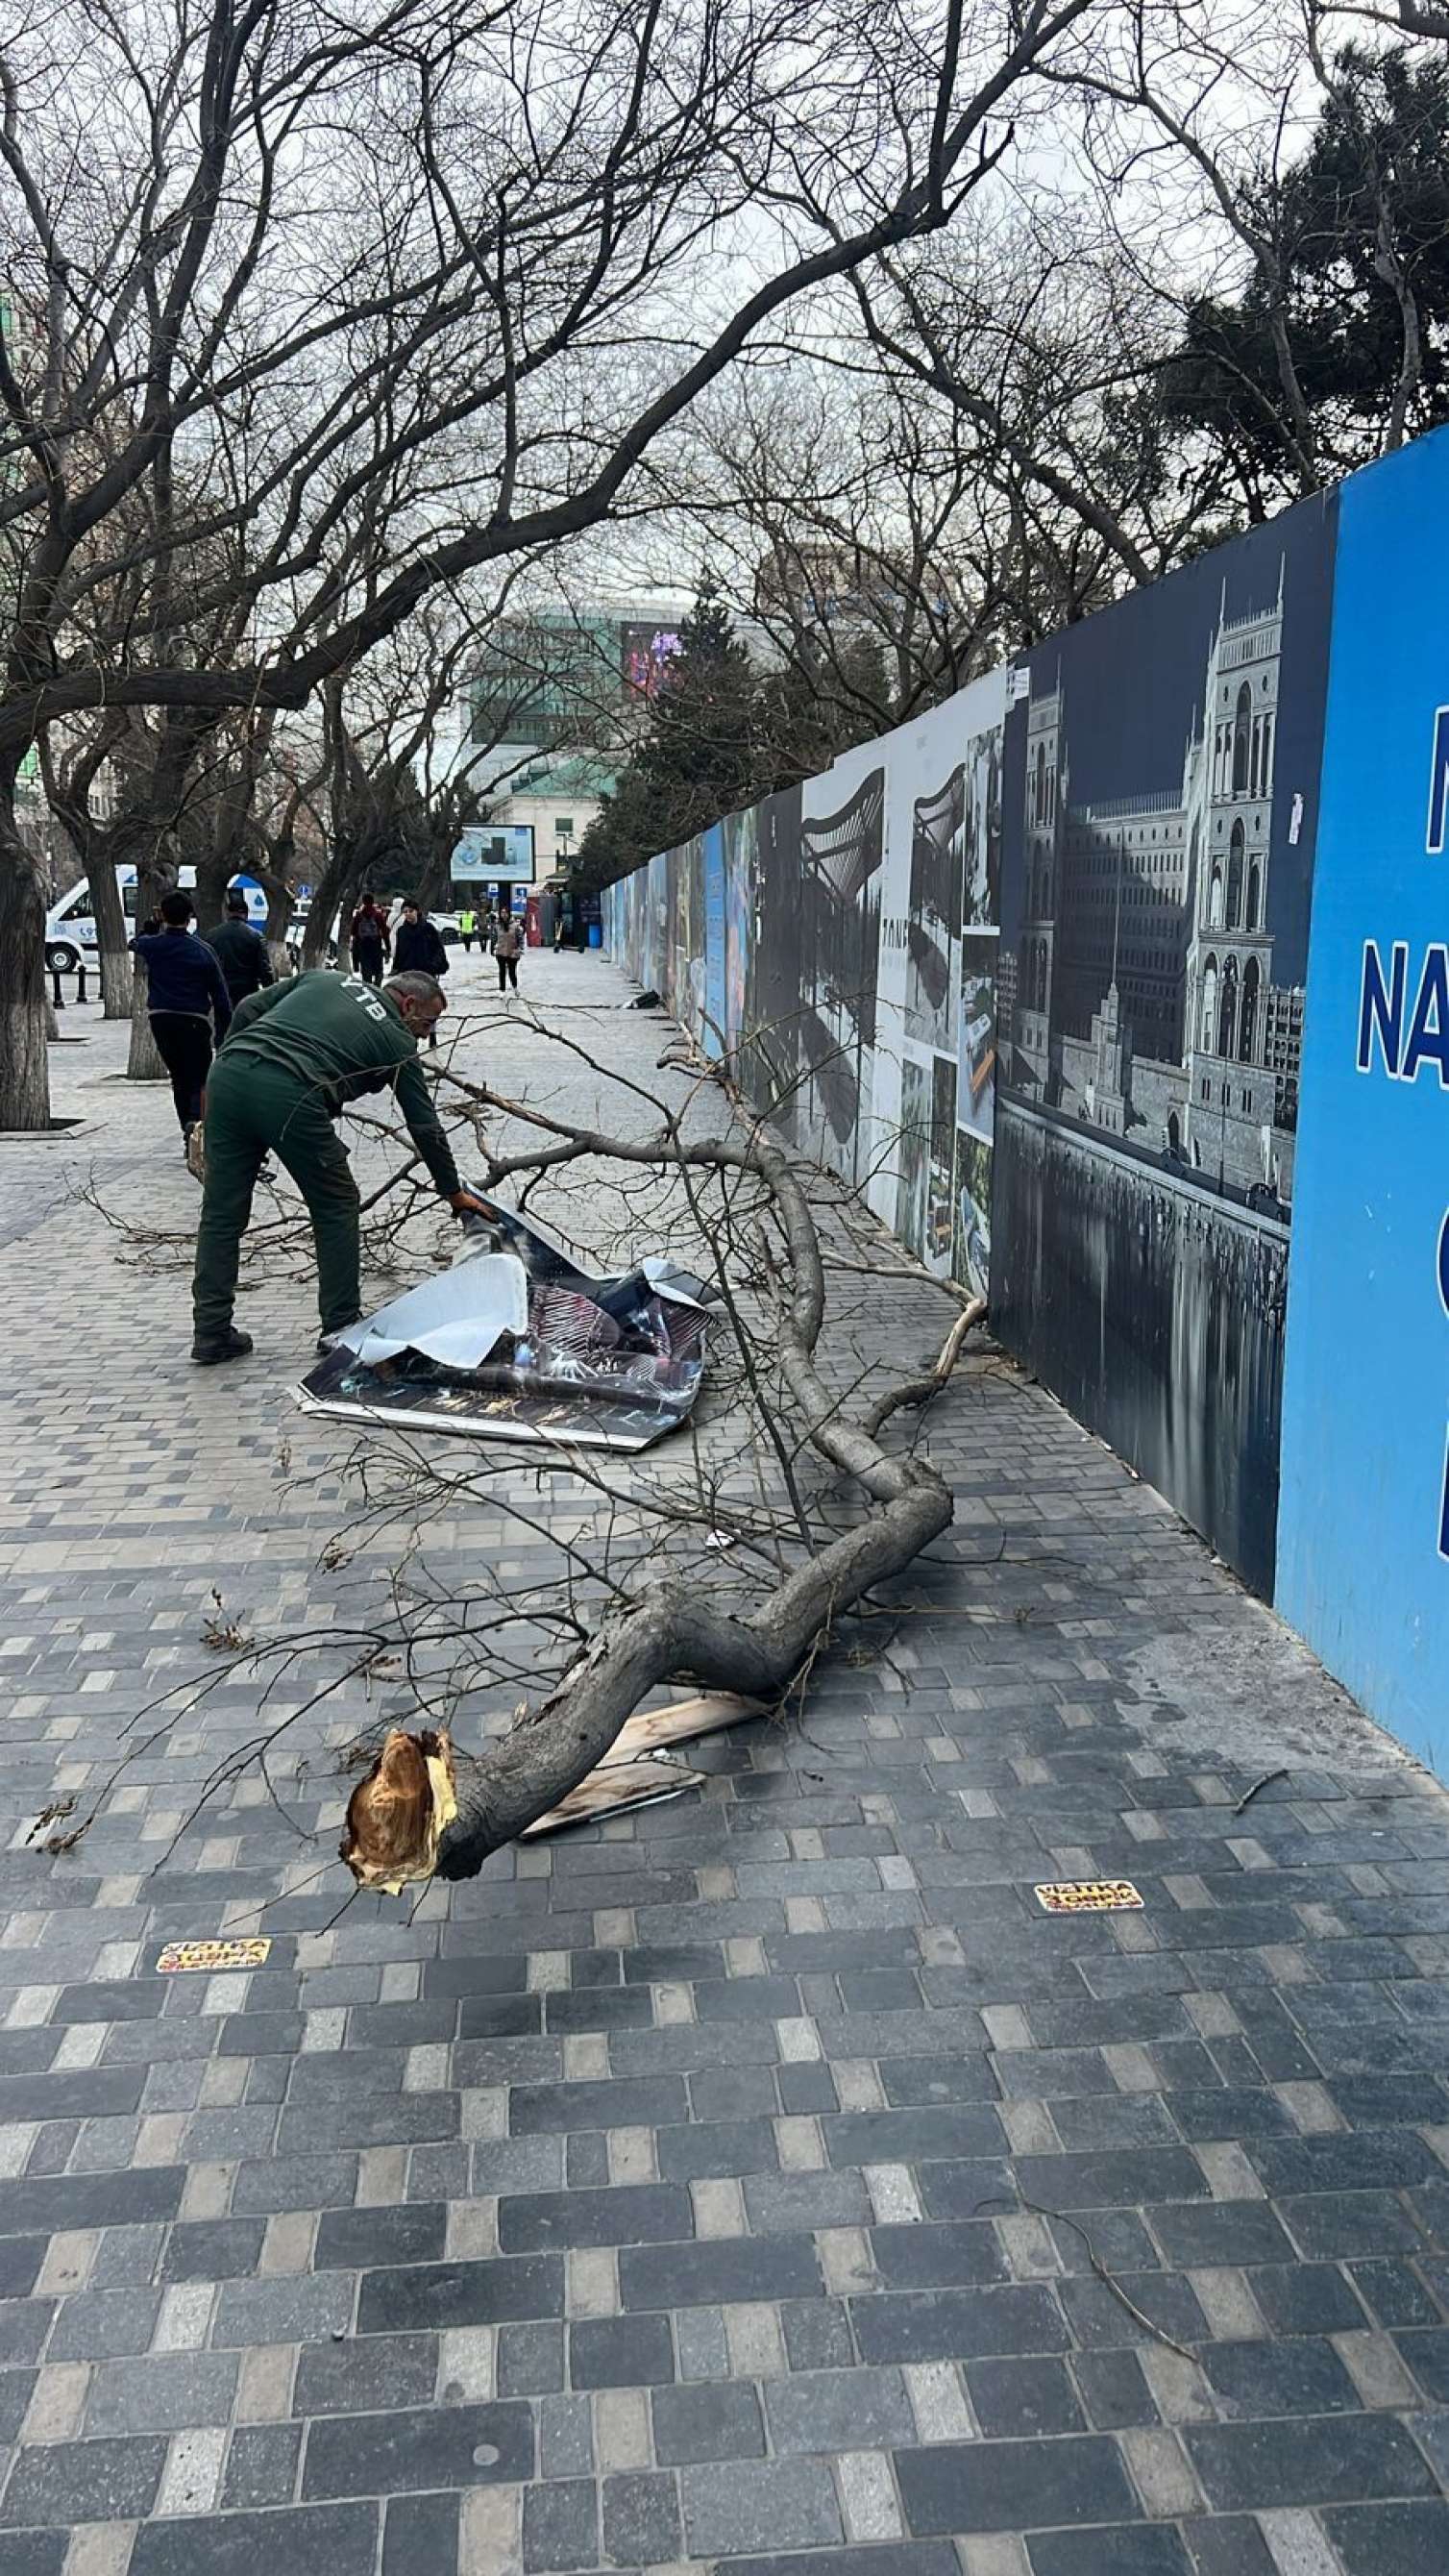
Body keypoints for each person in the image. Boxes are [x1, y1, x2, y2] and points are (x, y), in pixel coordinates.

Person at [190, 968, 490, 1366]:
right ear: (409, 1004)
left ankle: (211, 1331)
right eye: (427, 1022)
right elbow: (424, 1125)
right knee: (336, 1203)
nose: (425, 1034)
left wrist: (231, 1058)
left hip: (228, 1077)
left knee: (221, 1213)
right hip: (293, 1093)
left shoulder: (325, 978)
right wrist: (451, 1190)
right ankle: (341, 1325)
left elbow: (247, 1006)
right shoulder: (397, 1039)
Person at [132, 890, 233, 1168]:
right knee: (200, 1079)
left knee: (178, 1077)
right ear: (190, 917)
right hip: (194, 1020)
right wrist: (227, 1030)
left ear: (163, 915)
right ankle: (195, 1127)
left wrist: (151, 926)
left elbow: (136, 943)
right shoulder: (202, 951)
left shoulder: (154, 946)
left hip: (161, 1020)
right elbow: (221, 995)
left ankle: (185, 1129)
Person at [204, 887, 276, 1005]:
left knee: (222, 1022)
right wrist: (271, 995)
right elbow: (264, 970)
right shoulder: (256, 936)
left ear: (228, 913)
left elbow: (206, 966)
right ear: (246, 914)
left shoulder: (212, 935)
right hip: (248, 992)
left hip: (221, 990)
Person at [392, 902, 449, 1043]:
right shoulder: (402, 931)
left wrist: (433, 965)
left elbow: (438, 950)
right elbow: (399, 951)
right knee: (410, 1005)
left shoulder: (428, 928)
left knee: (429, 1004)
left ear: (417, 911)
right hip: (408, 974)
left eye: (410, 911)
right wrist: (397, 969)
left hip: (427, 973)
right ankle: (409, 1035)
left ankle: (432, 1033)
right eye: (405, 912)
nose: (408, 914)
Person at [350, 895, 391, 985]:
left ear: (363, 902)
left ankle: (368, 988)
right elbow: (384, 932)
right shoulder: (378, 915)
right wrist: (388, 947)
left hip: (363, 946)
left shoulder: (358, 916)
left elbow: (353, 932)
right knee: (378, 970)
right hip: (376, 945)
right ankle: (377, 987)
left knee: (366, 970)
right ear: (373, 902)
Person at [495, 911, 524, 994]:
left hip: (512, 951)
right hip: (500, 951)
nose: (504, 915)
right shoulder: (497, 925)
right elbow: (494, 937)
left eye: (505, 913)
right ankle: (502, 990)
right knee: (502, 971)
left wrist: (520, 949)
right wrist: (493, 948)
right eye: (502, 913)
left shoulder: (516, 926)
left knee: (512, 971)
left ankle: (515, 987)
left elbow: (520, 938)